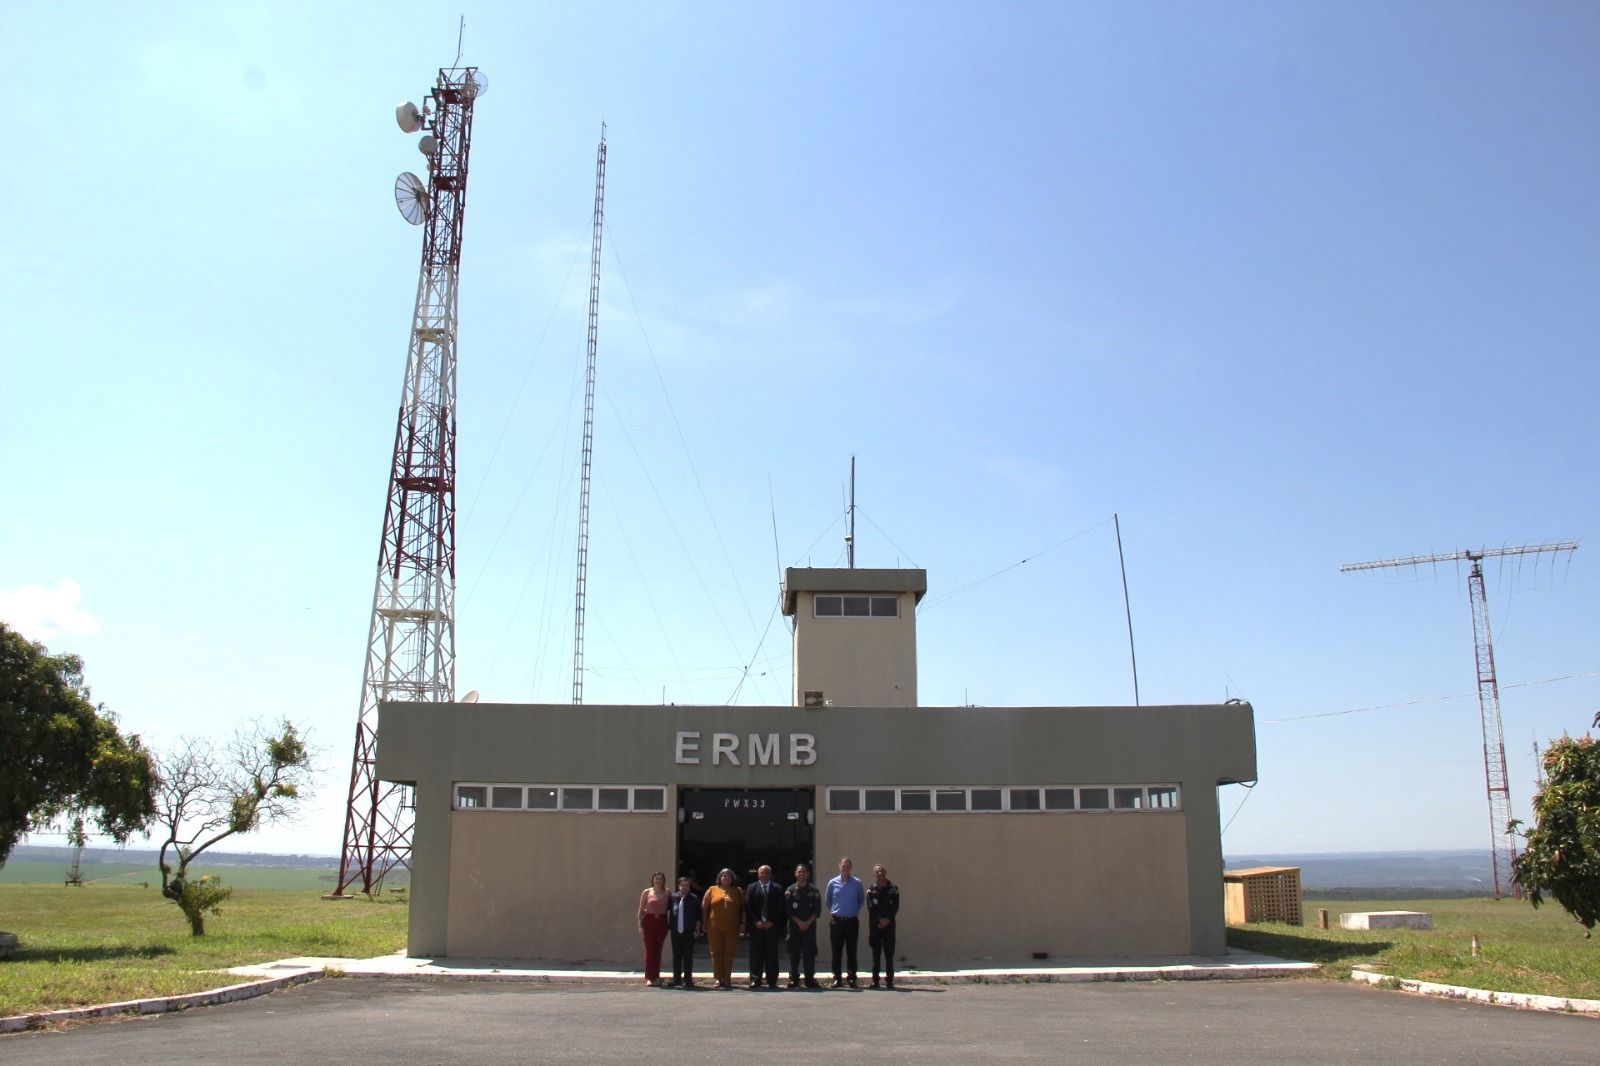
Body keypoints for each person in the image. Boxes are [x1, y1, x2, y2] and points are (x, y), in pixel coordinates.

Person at [824, 856, 865, 988]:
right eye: (843, 867)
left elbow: (861, 900)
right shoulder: (832, 883)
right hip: (837, 922)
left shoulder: (857, 883)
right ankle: (837, 978)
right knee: (836, 951)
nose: (845, 869)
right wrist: (838, 911)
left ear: (851, 868)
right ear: (839, 867)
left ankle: (852, 977)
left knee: (851, 950)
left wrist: (851, 910)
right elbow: (828, 901)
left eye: (848, 867)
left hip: (852, 921)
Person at [702, 867, 745, 990]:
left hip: (732, 927)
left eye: (728, 876)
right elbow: (704, 907)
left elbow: (743, 909)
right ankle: (718, 978)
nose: (726, 878)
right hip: (714, 927)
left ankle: (727, 978)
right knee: (716, 953)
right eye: (723, 876)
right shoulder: (712, 890)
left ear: (732, 879)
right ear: (719, 878)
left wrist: (743, 924)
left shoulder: (738, 891)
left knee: (729, 953)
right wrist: (704, 923)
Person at [744, 864, 785, 989]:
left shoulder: (777, 889)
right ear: (758, 874)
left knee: (771, 954)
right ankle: (755, 979)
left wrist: (771, 922)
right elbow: (748, 907)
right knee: (756, 954)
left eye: (767, 873)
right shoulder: (751, 888)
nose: (764, 875)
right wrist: (756, 921)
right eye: (762, 873)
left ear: (770, 875)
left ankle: (772, 980)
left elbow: (781, 908)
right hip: (756, 927)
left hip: (771, 927)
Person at [784, 862, 823, 989]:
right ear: (795, 874)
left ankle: (809, 979)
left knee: (809, 954)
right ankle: (794, 979)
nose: (801, 874)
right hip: (795, 928)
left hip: (809, 928)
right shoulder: (790, 891)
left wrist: (807, 923)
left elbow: (817, 911)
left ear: (808, 874)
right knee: (793, 954)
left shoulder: (814, 891)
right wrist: (800, 923)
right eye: (799, 872)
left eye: (804, 872)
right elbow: (788, 911)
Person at [866, 864, 900, 989]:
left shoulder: (894, 889)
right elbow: (871, 907)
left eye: (881, 871)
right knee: (876, 954)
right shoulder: (871, 889)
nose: (879, 874)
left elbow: (895, 907)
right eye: (877, 872)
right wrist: (880, 920)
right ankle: (875, 981)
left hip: (889, 926)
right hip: (876, 926)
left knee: (889, 954)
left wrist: (887, 919)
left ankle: (889, 981)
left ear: (885, 873)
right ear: (875, 874)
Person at [666, 876, 703, 988]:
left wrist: (697, 929)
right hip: (676, 931)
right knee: (676, 956)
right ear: (679, 886)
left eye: (687, 886)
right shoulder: (673, 898)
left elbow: (698, 916)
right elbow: (667, 911)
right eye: (682, 885)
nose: (685, 888)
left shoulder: (694, 899)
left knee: (688, 956)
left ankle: (688, 980)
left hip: (689, 931)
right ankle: (676, 979)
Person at [638, 871, 671, 987]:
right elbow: (641, 910)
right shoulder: (647, 892)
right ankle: (650, 977)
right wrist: (640, 926)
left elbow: (671, 909)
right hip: (649, 922)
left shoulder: (667, 892)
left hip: (661, 922)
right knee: (650, 950)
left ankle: (656, 976)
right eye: (656, 879)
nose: (658, 881)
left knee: (658, 950)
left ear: (663, 881)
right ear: (653, 880)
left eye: (660, 879)